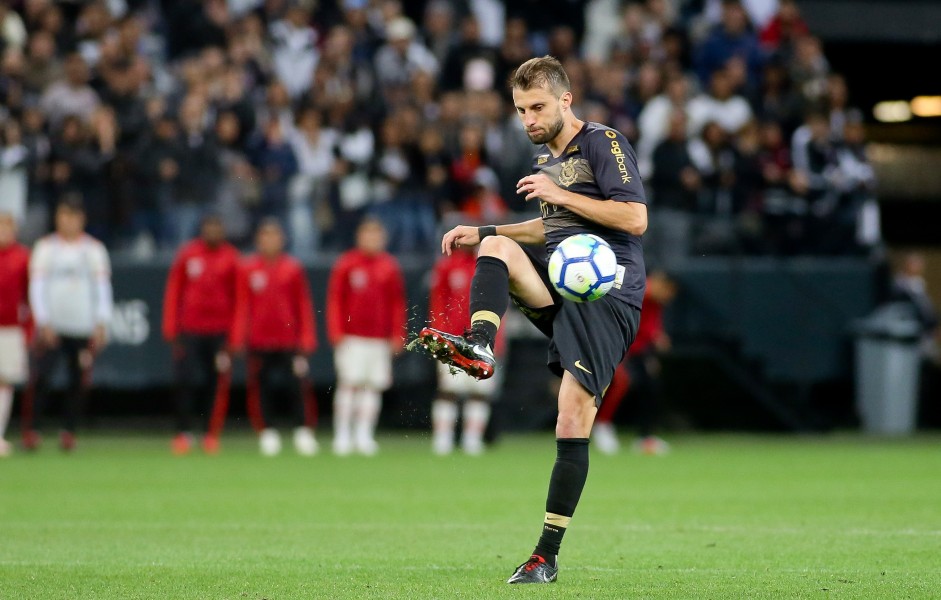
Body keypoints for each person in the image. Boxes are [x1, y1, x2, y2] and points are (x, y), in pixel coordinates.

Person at [415, 56, 647, 584]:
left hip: (608, 294)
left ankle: (546, 555)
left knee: (571, 417)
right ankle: (478, 344)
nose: (528, 119)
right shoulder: (546, 160)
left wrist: (559, 195)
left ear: (566, 100)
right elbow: (552, 228)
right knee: (496, 246)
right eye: (521, 109)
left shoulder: (602, 142)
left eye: (537, 106)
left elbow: (635, 217)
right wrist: (485, 228)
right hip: (567, 281)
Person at [25, 197, 113, 451]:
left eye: (73, 217)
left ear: (82, 220)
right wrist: (43, 321)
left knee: (77, 381)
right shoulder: (45, 247)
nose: (69, 222)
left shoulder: (94, 249)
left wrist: (101, 321)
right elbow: (37, 287)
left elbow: (102, 287)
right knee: (41, 378)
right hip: (53, 326)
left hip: (82, 326)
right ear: (57, 219)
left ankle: (69, 431)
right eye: (64, 216)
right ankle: (33, 430)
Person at [230, 219, 318, 456]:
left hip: (288, 341)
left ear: (282, 240)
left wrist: (306, 337)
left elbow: (303, 305)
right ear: (258, 240)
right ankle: (267, 432)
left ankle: (303, 431)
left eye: (274, 236)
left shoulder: (292, 268)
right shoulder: (248, 268)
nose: (270, 241)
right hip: (258, 341)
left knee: (298, 386)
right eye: (265, 236)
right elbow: (242, 305)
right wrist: (238, 338)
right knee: (260, 388)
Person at [326, 218, 406, 456]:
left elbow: (396, 303)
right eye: (367, 235)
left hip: (379, 338)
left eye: (376, 235)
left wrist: (396, 334)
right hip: (352, 337)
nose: (372, 240)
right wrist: (337, 331)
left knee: (372, 387)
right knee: (349, 384)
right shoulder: (347, 263)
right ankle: (342, 435)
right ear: (359, 237)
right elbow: (335, 300)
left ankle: (364, 435)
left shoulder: (389, 266)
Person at [162, 215, 240, 455]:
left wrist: (235, 336)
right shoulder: (188, 254)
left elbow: (239, 300)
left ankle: (210, 434)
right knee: (184, 381)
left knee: (215, 383)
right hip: (190, 329)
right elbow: (175, 290)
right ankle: (183, 433)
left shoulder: (231, 257)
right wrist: (171, 327)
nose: (213, 232)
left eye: (217, 227)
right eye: (209, 227)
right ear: (202, 229)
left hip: (219, 332)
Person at [593, 269, 678, 455]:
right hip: (617, 348)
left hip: (638, 351)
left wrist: (653, 346)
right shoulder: (638, 292)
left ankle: (645, 437)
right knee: (621, 383)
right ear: (659, 282)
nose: (669, 296)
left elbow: (651, 329)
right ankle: (602, 427)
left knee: (651, 386)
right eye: (669, 290)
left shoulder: (656, 302)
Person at [427, 245, 503, 456]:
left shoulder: (491, 268)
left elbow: (499, 306)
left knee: (479, 392)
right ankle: (443, 438)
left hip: (483, 340)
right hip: (453, 339)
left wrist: (498, 338)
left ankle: (472, 439)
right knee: (448, 391)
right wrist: (440, 335)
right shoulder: (448, 266)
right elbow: (438, 302)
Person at [0, 212, 30, 456]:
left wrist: (28, 329)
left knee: (5, 381)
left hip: (10, 329)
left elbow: (31, 297)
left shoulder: (22, 257)